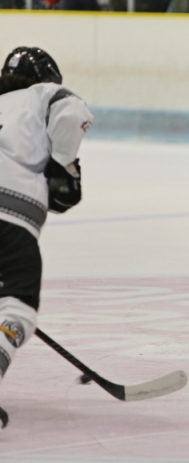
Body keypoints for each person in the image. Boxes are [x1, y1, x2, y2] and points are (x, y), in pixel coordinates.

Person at [0, 47, 93, 427]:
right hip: (9, 218)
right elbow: (72, 111)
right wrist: (62, 164)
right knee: (18, 308)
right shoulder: (44, 95)